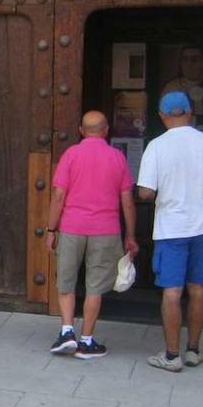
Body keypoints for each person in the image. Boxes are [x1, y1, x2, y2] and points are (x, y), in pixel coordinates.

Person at [137, 91, 203, 372]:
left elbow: (145, 192)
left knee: (172, 290)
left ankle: (171, 356)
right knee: (198, 288)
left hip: (172, 227)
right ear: (190, 112)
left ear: (161, 116)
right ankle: (193, 350)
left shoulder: (156, 147)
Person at [46, 111, 138, 359]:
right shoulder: (117, 157)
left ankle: (67, 332)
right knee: (95, 286)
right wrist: (130, 235)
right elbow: (127, 201)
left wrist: (51, 229)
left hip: (72, 227)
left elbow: (58, 195)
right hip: (106, 230)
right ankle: (86, 341)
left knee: (66, 280)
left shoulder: (71, 155)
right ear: (106, 130)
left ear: (81, 131)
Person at [161, 46, 203, 128]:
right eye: (185, 60)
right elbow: (167, 117)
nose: (189, 64)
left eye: (194, 60)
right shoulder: (172, 87)